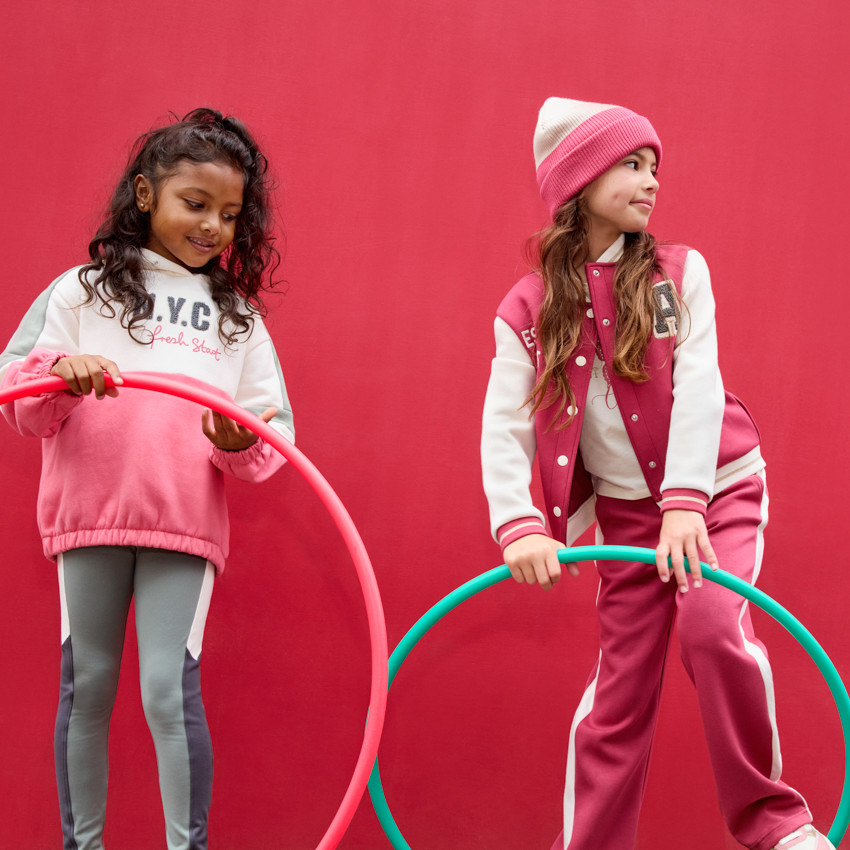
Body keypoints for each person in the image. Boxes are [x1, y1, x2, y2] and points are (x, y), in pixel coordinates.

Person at [480, 97, 831, 850]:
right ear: (579, 180)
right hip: (631, 520)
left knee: (712, 629)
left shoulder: (679, 273)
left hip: (717, 489)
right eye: (632, 165)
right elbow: (503, 425)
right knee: (619, 694)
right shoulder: (527, 309)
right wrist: (518, 525)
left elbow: (700, 383)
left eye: (653, 168)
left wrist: (686, 502)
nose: (652, 182)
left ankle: (776, 823)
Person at [0, 108, 294, 850]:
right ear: (144, 194)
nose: (213, 227)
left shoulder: (237, 321)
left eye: (229, 214)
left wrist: (237, 440)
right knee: (88, 687)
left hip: (183, 529)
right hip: (89, 517)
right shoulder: (80, 291)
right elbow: (14, 392)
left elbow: (275, 437)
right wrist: (57, 377)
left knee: (169, 692)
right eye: (195, 205)